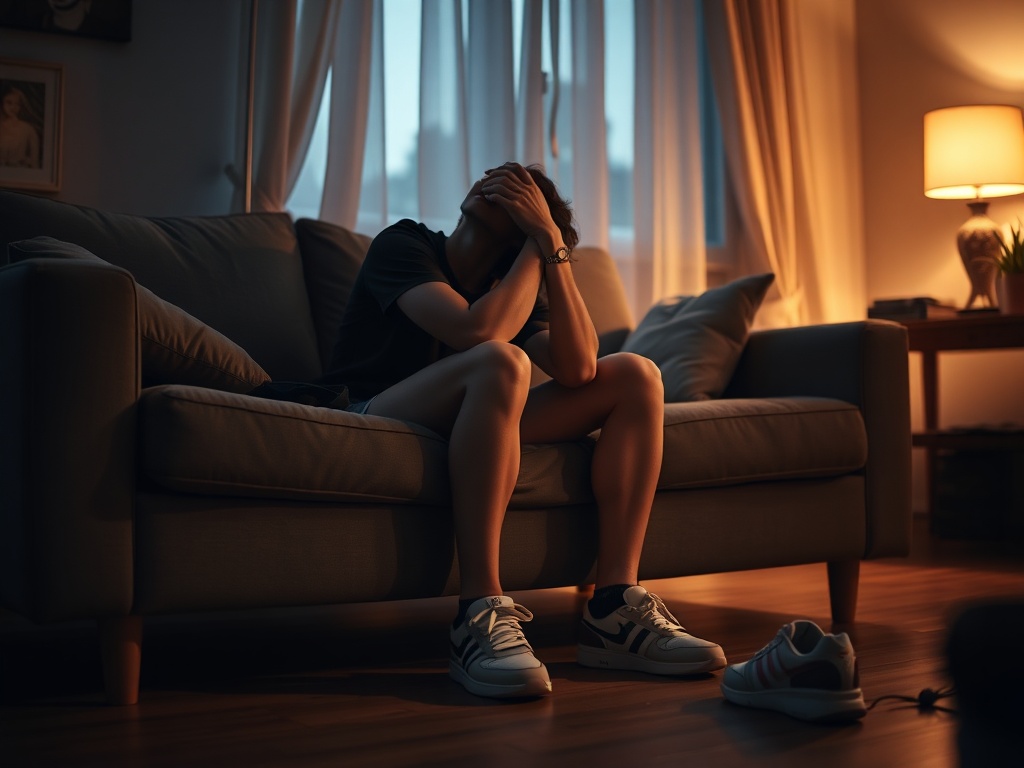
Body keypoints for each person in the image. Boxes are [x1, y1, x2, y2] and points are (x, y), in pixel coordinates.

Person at [322, 161, 726, 698]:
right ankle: (478, 612)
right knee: (502, 362)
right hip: (376, 413)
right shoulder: (404, 244)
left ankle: (613, 610)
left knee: (636, 375)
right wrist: (540, 240)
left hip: (475, 418)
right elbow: (476, 331)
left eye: (518, 189)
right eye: (497, 175)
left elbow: (580, 369)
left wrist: (547, 245)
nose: (495, 179)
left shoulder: (511, 284)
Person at [0, 85, 41, 169]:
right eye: (9, 102)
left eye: (17, 104)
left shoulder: (28, 130)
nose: (13, 107)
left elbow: (35, 163)